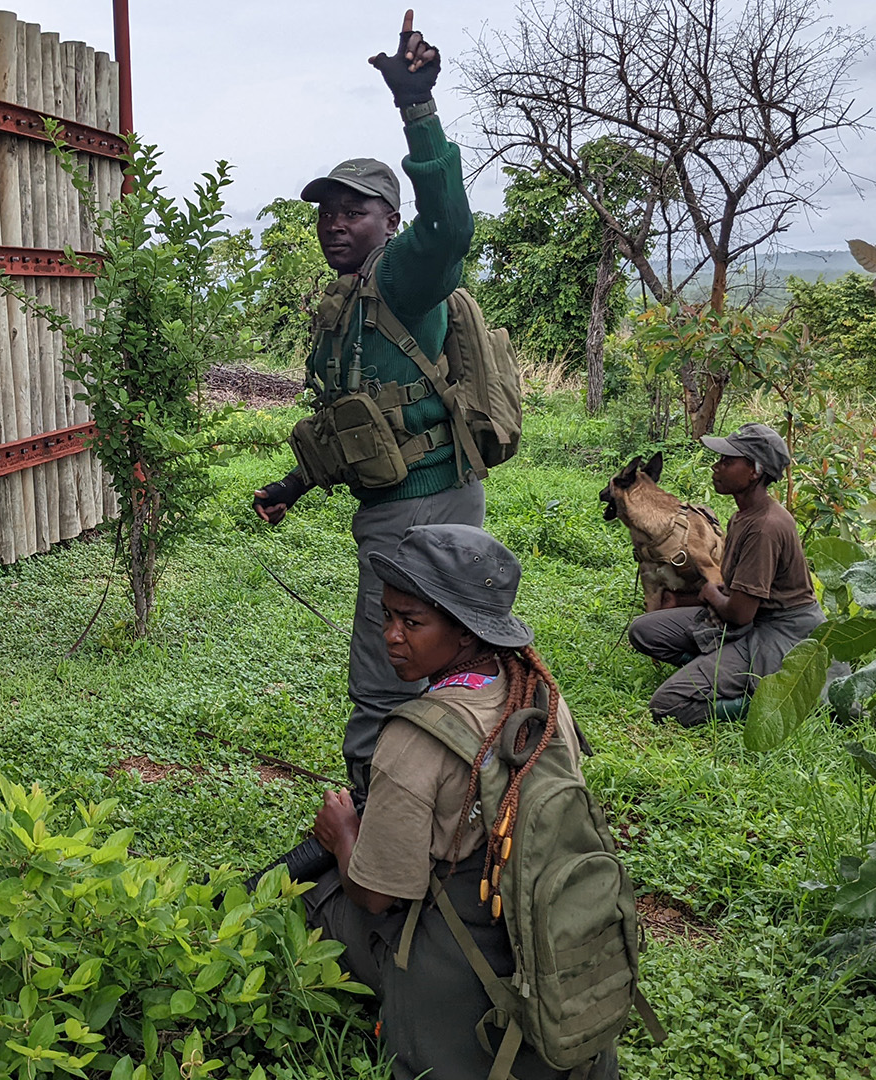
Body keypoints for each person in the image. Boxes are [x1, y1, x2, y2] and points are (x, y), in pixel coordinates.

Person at [253, 10, 482, 802]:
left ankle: (382, 829)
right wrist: (292, 486)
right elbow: (352, 424)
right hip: (392, 502)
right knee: (439, 658)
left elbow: (450, 223)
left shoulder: (406, 278)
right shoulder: (342, 308)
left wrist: (417, 108)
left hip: (426, 508)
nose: (335, 224)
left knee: (389, 671)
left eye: (354, 210)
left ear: (389, 221)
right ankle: (431, 807)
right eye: (326, 212)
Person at [303, 525, 621, 1080]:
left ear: (469, 636)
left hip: (463, 953)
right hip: (547, 923)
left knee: (318, 891)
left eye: (412, 622)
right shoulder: (537, 692)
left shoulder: (416, 735)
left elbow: (376, 895)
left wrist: (343, 833)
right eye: (387, 616)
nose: (391, 636)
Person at [626, 423, 822, 726]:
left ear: (755, 472)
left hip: (780, 632)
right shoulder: (744, 515)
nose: (716, 467)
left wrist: (710, 593)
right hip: (752, 620)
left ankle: (762, 700)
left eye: (728, 461)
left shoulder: (765, 528)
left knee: (666, 705)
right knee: (644, 631)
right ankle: (717, 669)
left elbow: (740, 613)